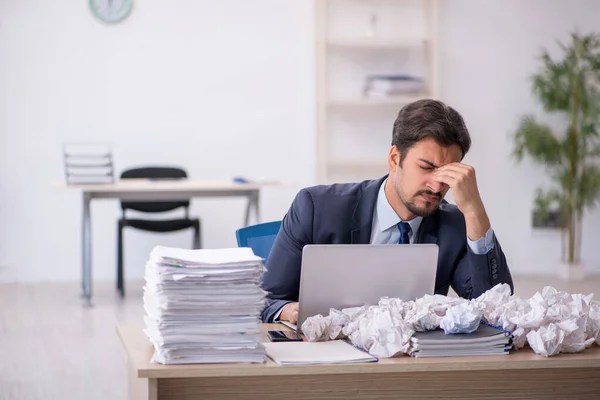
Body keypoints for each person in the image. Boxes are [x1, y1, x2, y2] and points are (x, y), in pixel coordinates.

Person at [261, 99, 514, 324]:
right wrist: (290, 311)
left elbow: (496, 310)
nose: (437, 186)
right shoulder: (316, 208)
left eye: (448, 174)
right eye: (427, 167)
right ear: (394, 159)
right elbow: (267, 300)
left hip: (413, 365)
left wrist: (474, 210)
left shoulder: (456, 225)